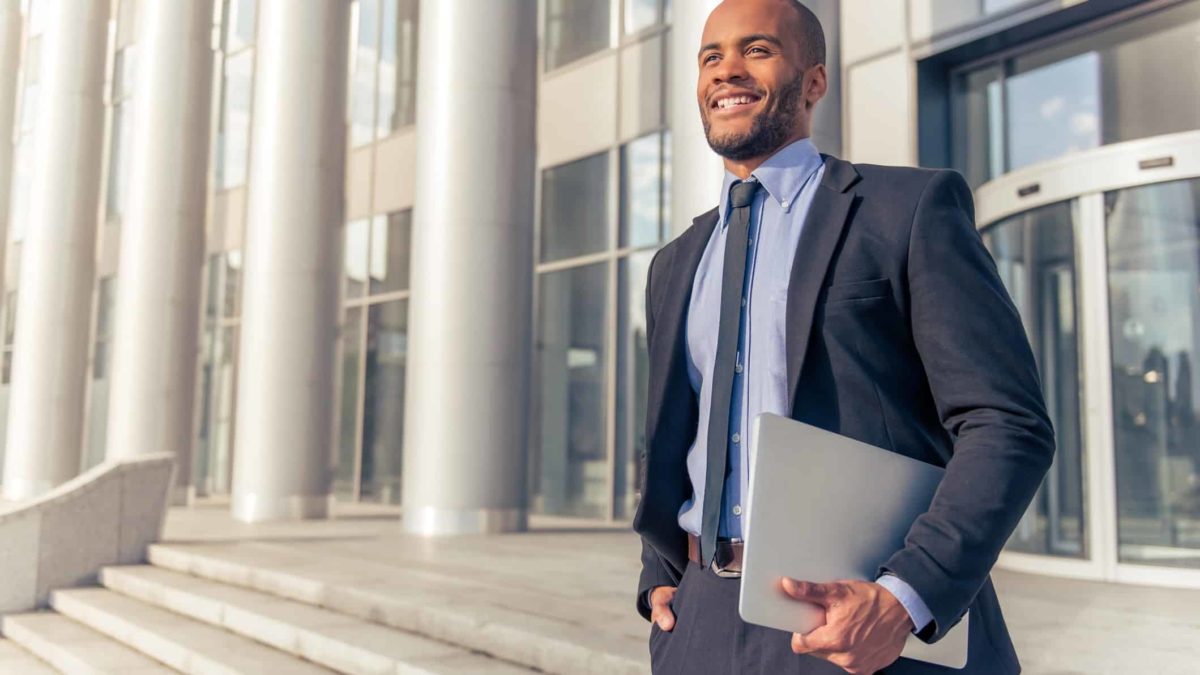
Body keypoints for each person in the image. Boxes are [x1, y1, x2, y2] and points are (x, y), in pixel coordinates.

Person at [631, 1, 1056, 673]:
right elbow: (672, 433)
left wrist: (903, 598)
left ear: (815, 81)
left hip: (860, 619)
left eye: (758, 49)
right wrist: (658, 570)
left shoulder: (908, 212)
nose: (727, 70)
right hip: (700, 621)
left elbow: (1007, 422)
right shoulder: (676, 261)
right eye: (711, 56)